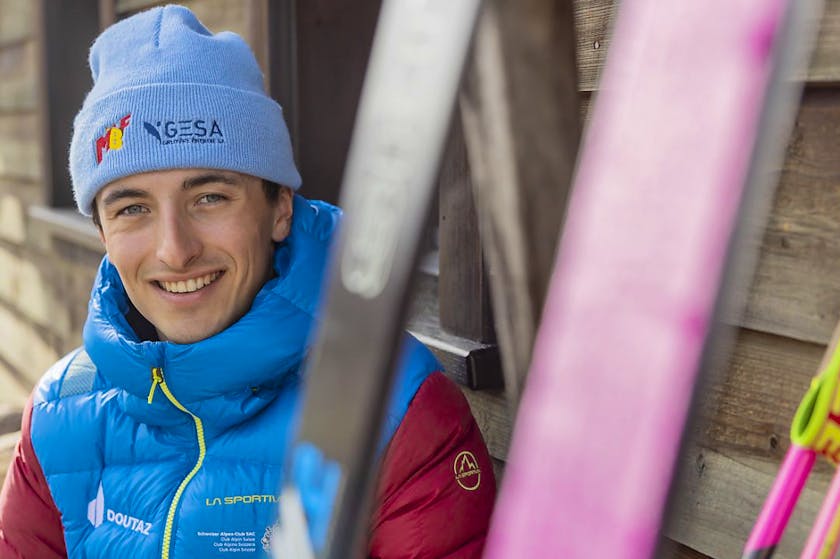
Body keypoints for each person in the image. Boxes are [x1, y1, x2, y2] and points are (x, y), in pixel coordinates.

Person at [0, 5, 496, 558]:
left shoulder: (396, 412)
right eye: (132, 208)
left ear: (279, 208)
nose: (175, 249)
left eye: (209, 197)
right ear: (102, 234)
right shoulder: (59, 415)